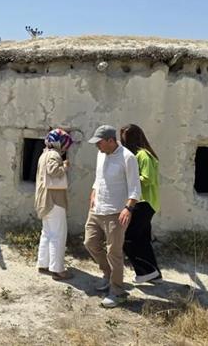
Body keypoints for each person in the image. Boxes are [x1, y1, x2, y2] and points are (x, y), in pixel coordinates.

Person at [84, 125, 141, 308]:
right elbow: (98, 178)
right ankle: (108, 274)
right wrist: (94, 192)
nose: (97, 146)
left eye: (99, 143)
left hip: (116, 212)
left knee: (114, 252)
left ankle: (117, 292)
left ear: (110, 140)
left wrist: (128, 208)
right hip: (97, 209)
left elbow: (135, 188)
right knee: (90, 243)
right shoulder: (101, 154)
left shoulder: (128, 158)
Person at [120, 124, 162, 283]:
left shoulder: (142, 155)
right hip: (146, 202)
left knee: (128, 238)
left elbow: (147, 178)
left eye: (124, 137)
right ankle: (155, 274)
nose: (123, 141)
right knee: (143, 240)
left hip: (144, 202)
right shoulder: (140, 154)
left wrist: (128, 178)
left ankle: (145, 272)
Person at [35, 128, 74, 281]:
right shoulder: (53, 155)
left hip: (45, 201)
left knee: (47, 233)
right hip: (54, 201)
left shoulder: (44, 154)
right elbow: (53, 171)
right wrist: (65, 166)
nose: (65, 147)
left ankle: (43, 264)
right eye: (65, 144)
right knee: (58, 235)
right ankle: (58, 271)